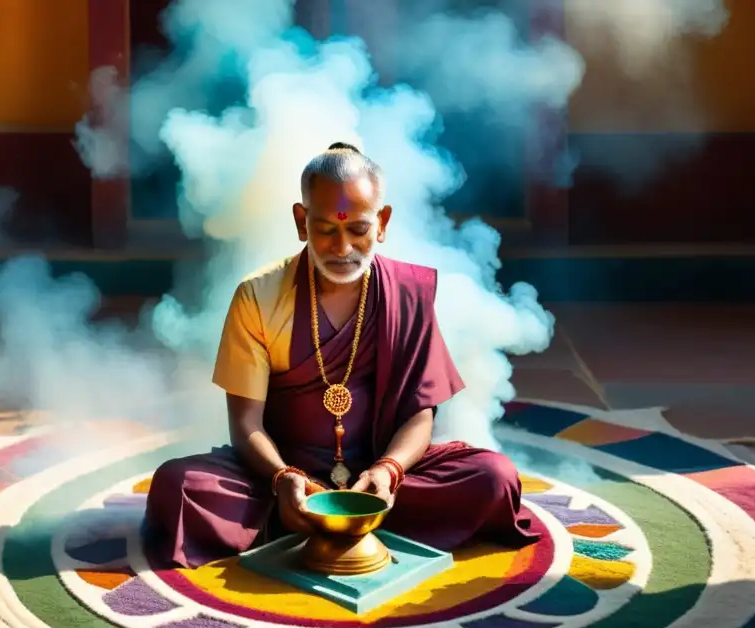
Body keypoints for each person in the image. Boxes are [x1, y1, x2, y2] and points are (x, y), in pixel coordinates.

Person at [144, 142, 540, 567]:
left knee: (494, 478)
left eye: (358, 229)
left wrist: (389, 470)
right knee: (177, 485)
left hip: (381, 479)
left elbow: (420, 416)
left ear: (382, 223)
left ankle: (339, 516)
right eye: (326, 229)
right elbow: (245, 424)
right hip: (282, 479)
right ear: (301, 222)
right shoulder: (258, 296)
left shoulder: (407, 294)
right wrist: (283, 478)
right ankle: (297, 512)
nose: (342, 248)